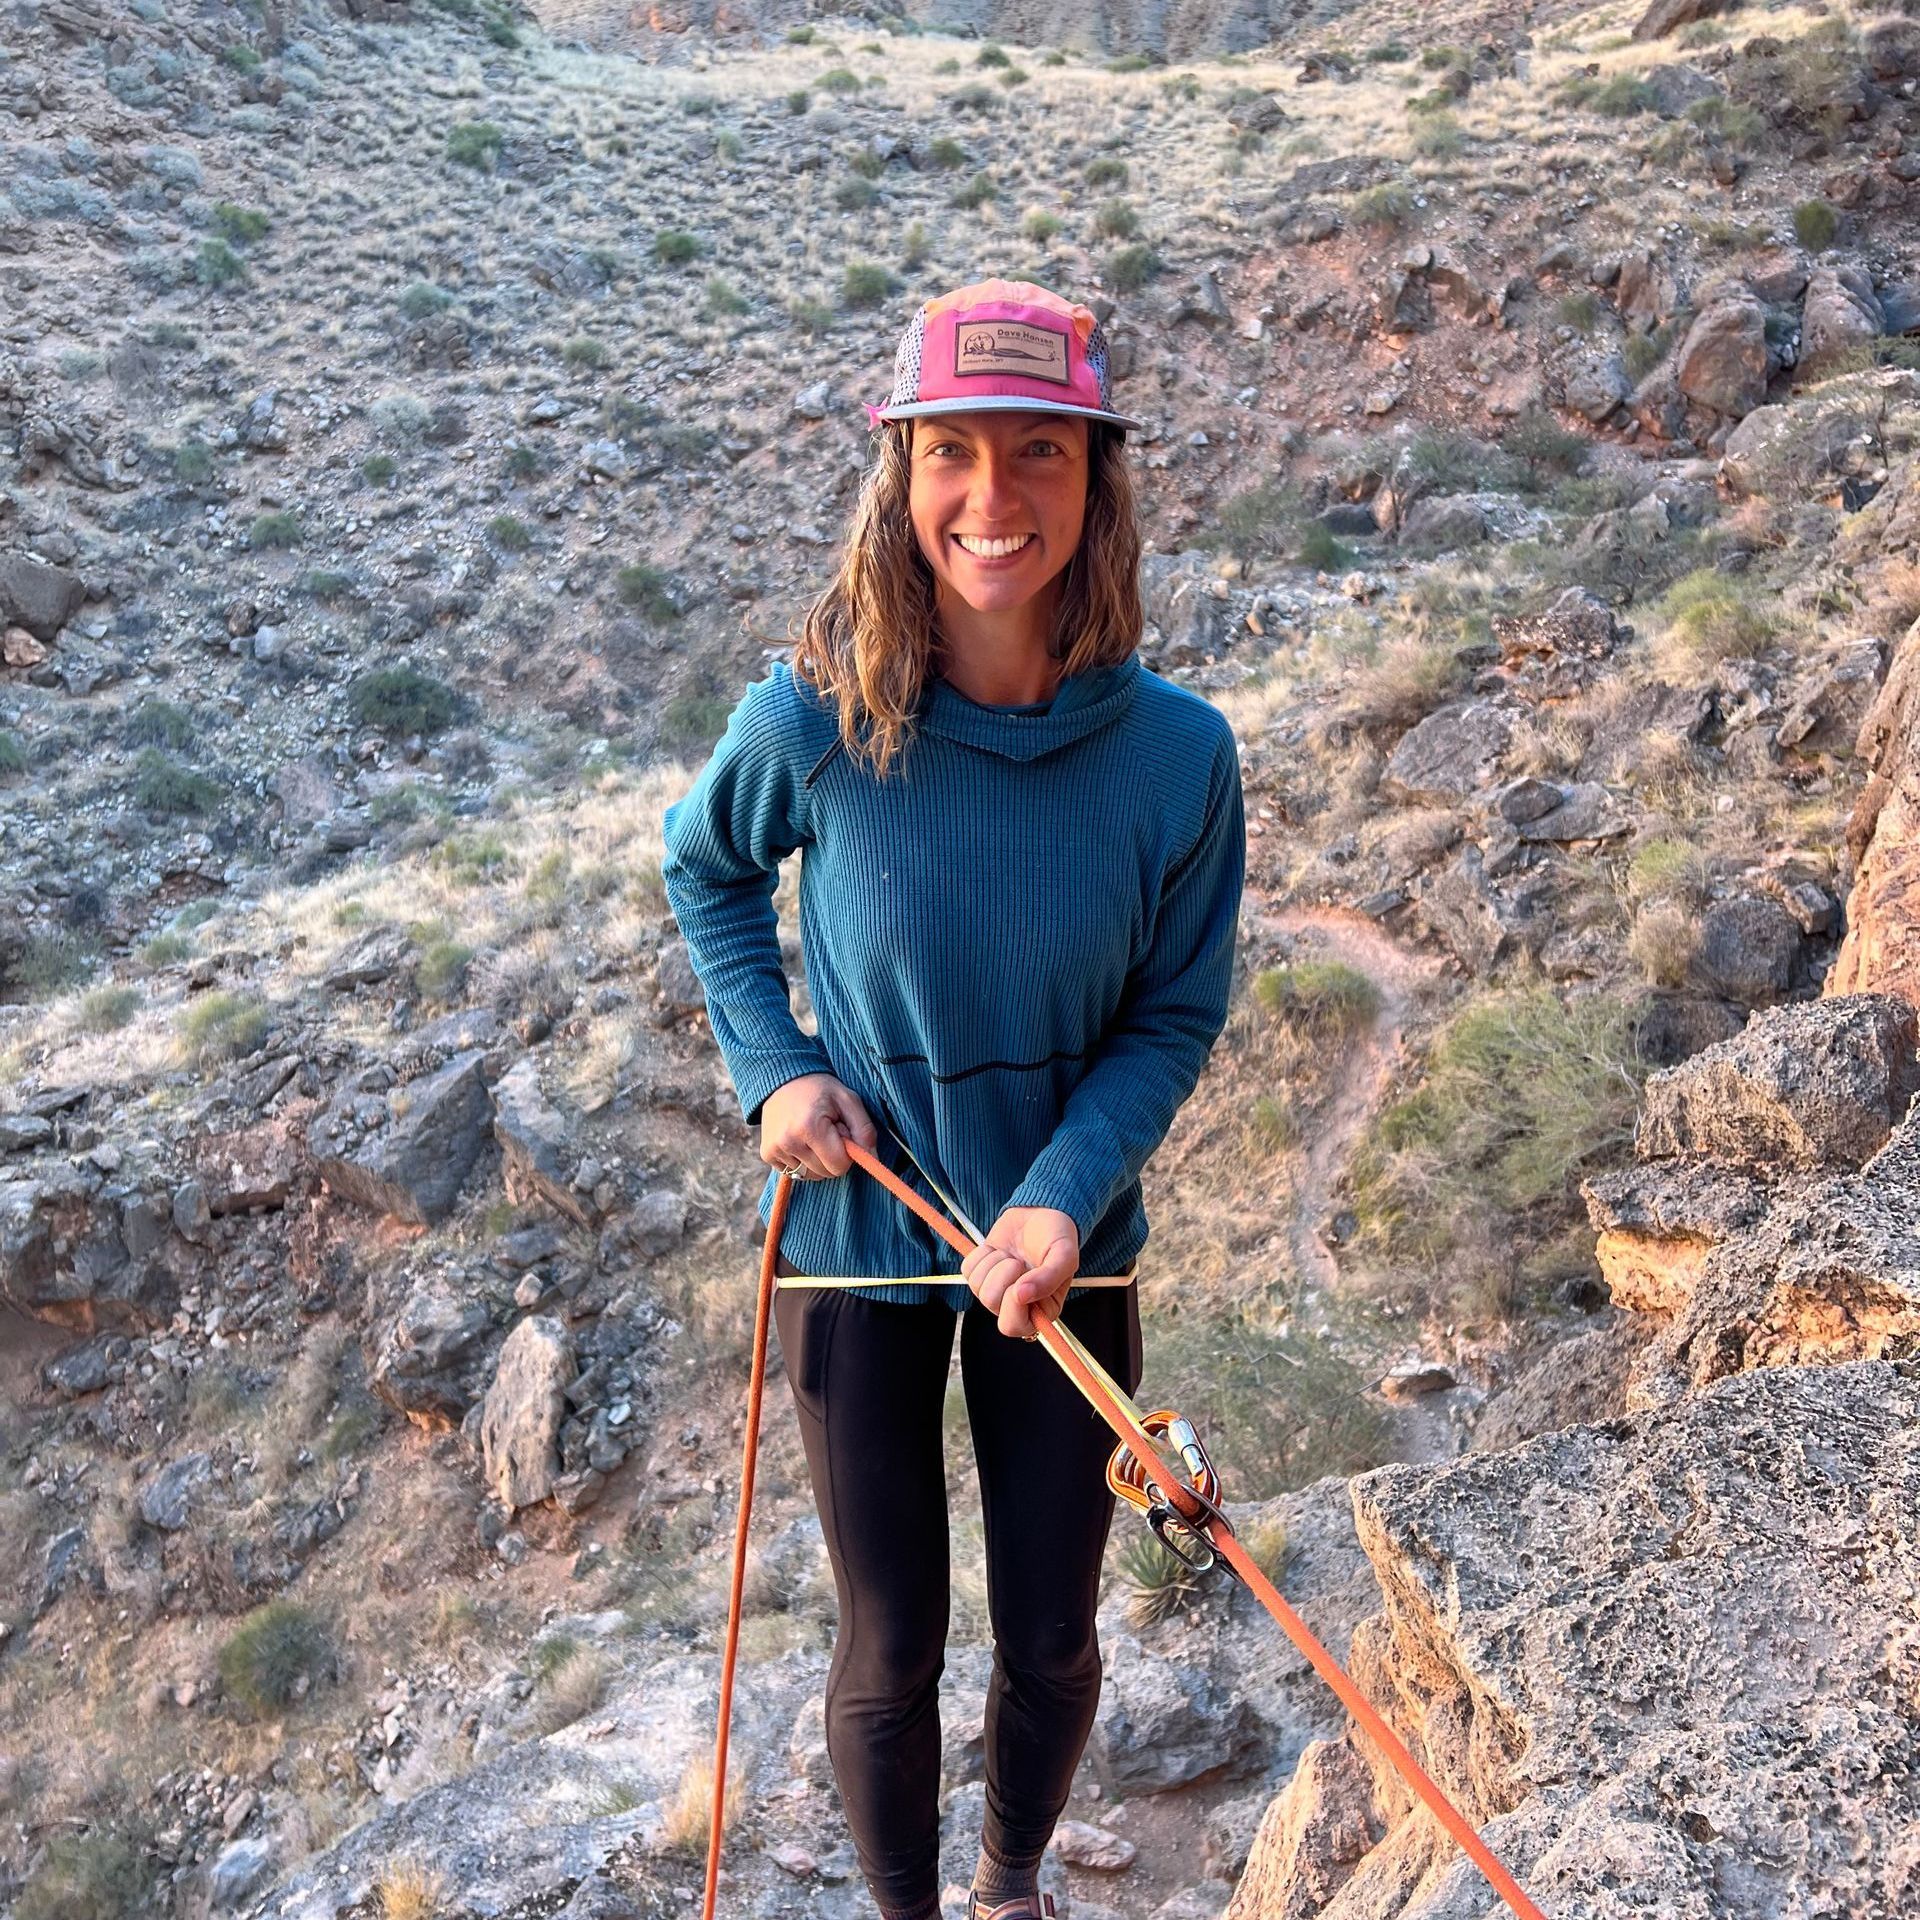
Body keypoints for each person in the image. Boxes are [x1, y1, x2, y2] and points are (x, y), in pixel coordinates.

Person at [660, 279, 1246, 1920]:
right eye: (956, 456)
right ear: (901, 477)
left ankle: (1007, 1892)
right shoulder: (818, 721)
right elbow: (704, 869)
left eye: (1040, 454)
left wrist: (1062, 1194)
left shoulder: (1180, 759)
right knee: (888, 1639)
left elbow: (1172, 1009)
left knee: (1056, 1627)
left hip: (1070, 1249)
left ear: (1096, 479)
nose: (996, 500)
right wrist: (774, 1070)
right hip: (863, 1236)